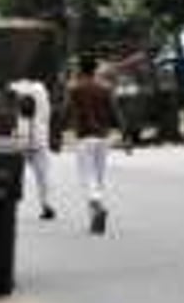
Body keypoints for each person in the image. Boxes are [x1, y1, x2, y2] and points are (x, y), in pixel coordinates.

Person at [65, 55, 115, 235]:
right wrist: (126, 135)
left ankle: (97, 206)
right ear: (95, 69)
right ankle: (94, 219)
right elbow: (114, 112)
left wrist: (55, 134)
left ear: (80, 69)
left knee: (88, 179)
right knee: (98, 179)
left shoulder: (75, 88)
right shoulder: (105, 88)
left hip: (85, 137)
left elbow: (66, 111)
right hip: (103, 138)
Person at [10, 78, 56, 221]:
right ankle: (46, 204)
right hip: (39, 137)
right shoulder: (41, 89)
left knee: (15, 175)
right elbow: (47, 115)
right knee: (42, 176)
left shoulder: (13, 87)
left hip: (19, 137)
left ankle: (11, 205)